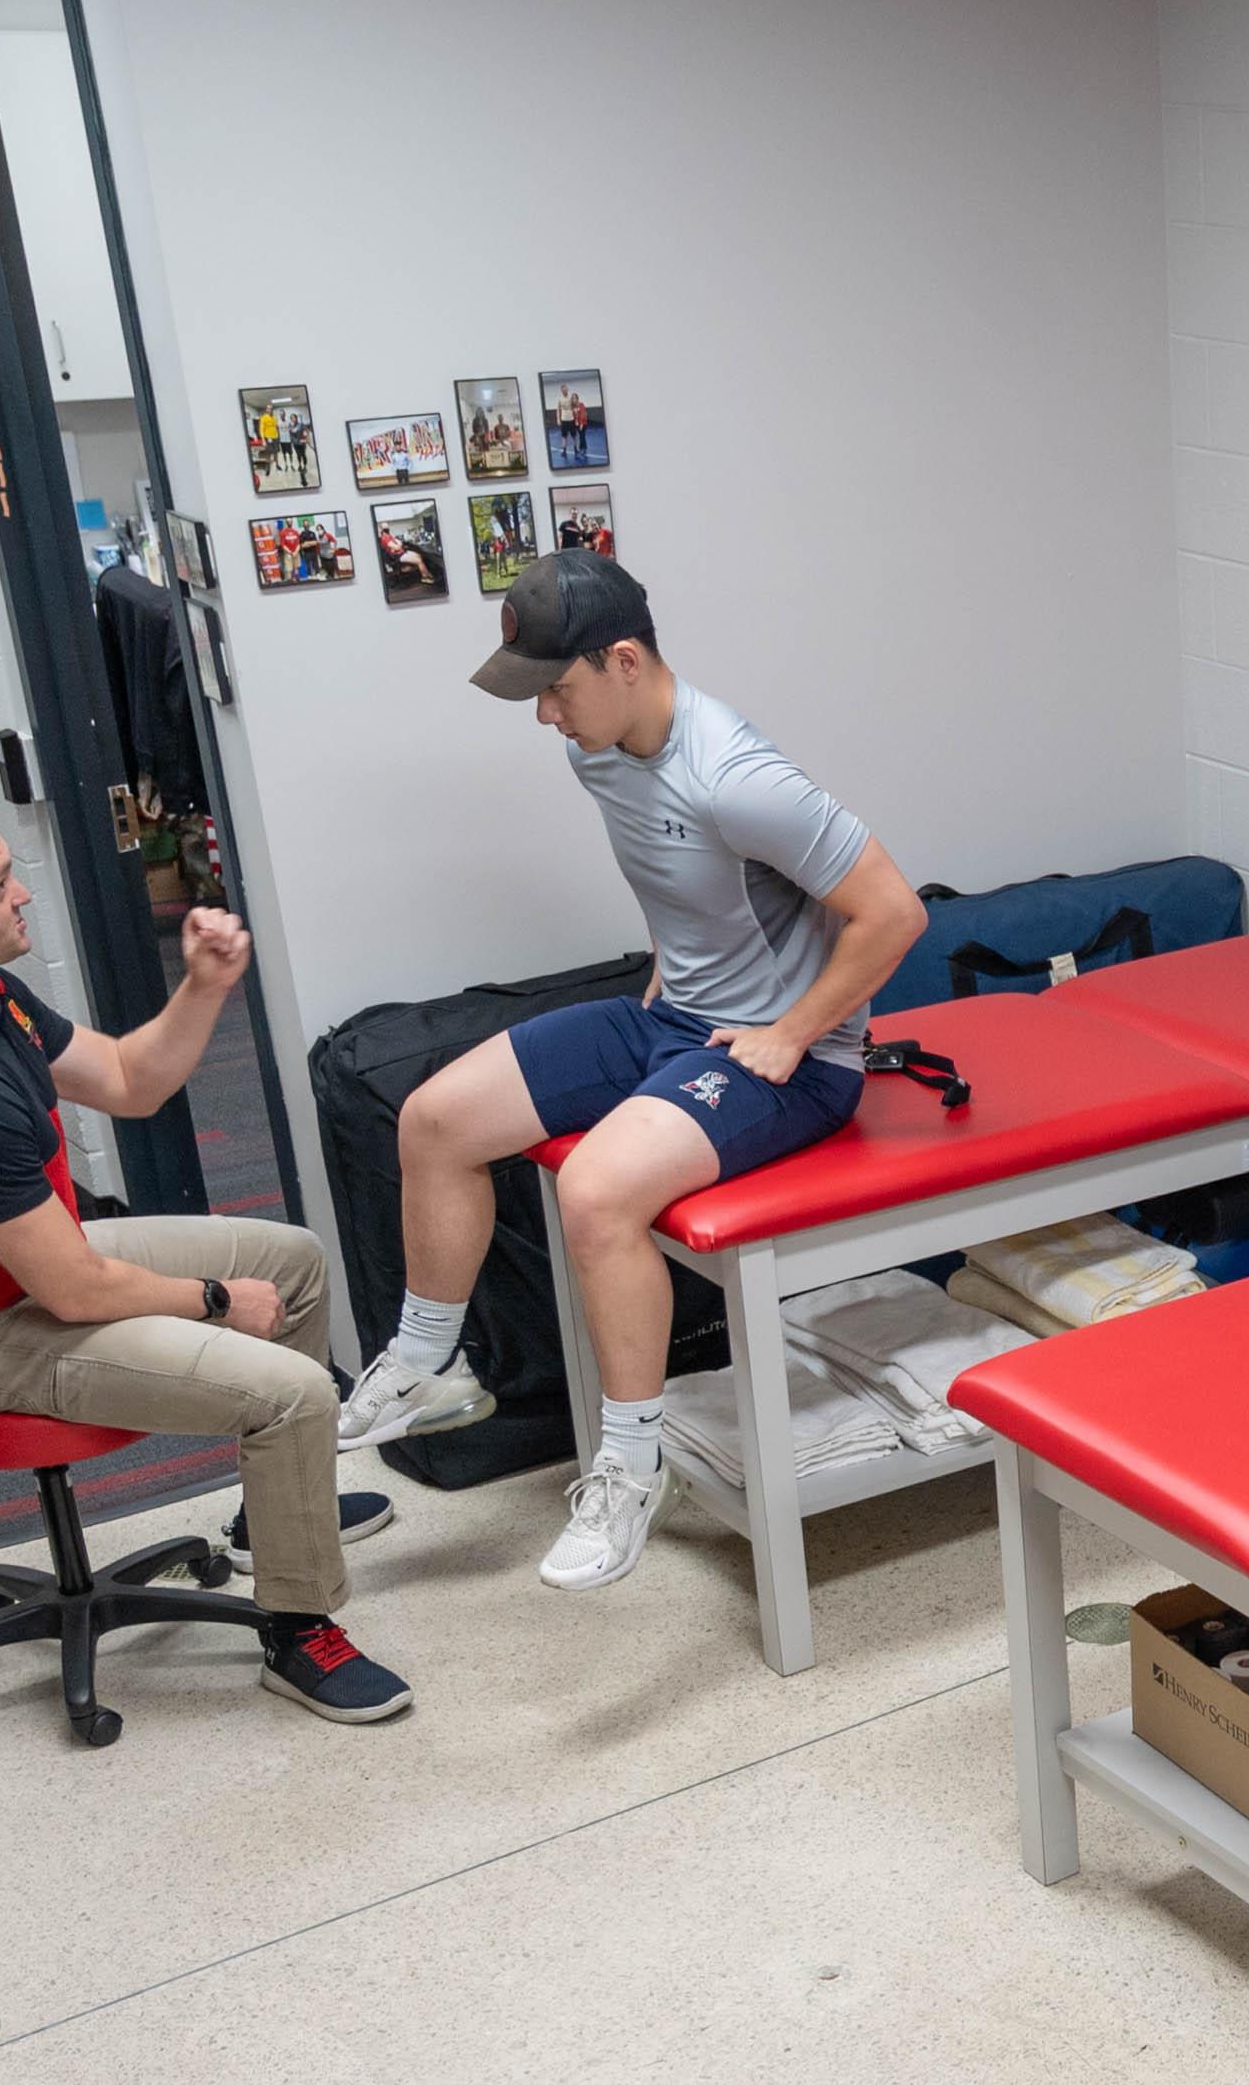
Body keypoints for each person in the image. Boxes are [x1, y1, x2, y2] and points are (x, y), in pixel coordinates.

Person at [334, 551, 928, 1590]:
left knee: (597, 1191)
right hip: (677, 1019)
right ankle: (432, 1365)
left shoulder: (739, 776)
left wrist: (792, 1032)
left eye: (556, 690)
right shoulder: (598, 745)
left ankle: (629, 1464)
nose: (545, 718)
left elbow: (894, 912)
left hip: (786, 1059)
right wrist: (669, 970)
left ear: (623, 661)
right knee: (432, 1119)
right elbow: (689, 880)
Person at [0, 788, 410, 1722]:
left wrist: (204, 983)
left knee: (290, 1258)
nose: (22, 896)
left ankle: (277, 1516)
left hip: (22, 1269)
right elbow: (74, 1288)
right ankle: (299, 1633)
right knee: (294, 1390)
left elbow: (129, 1080)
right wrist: (215, 1301)